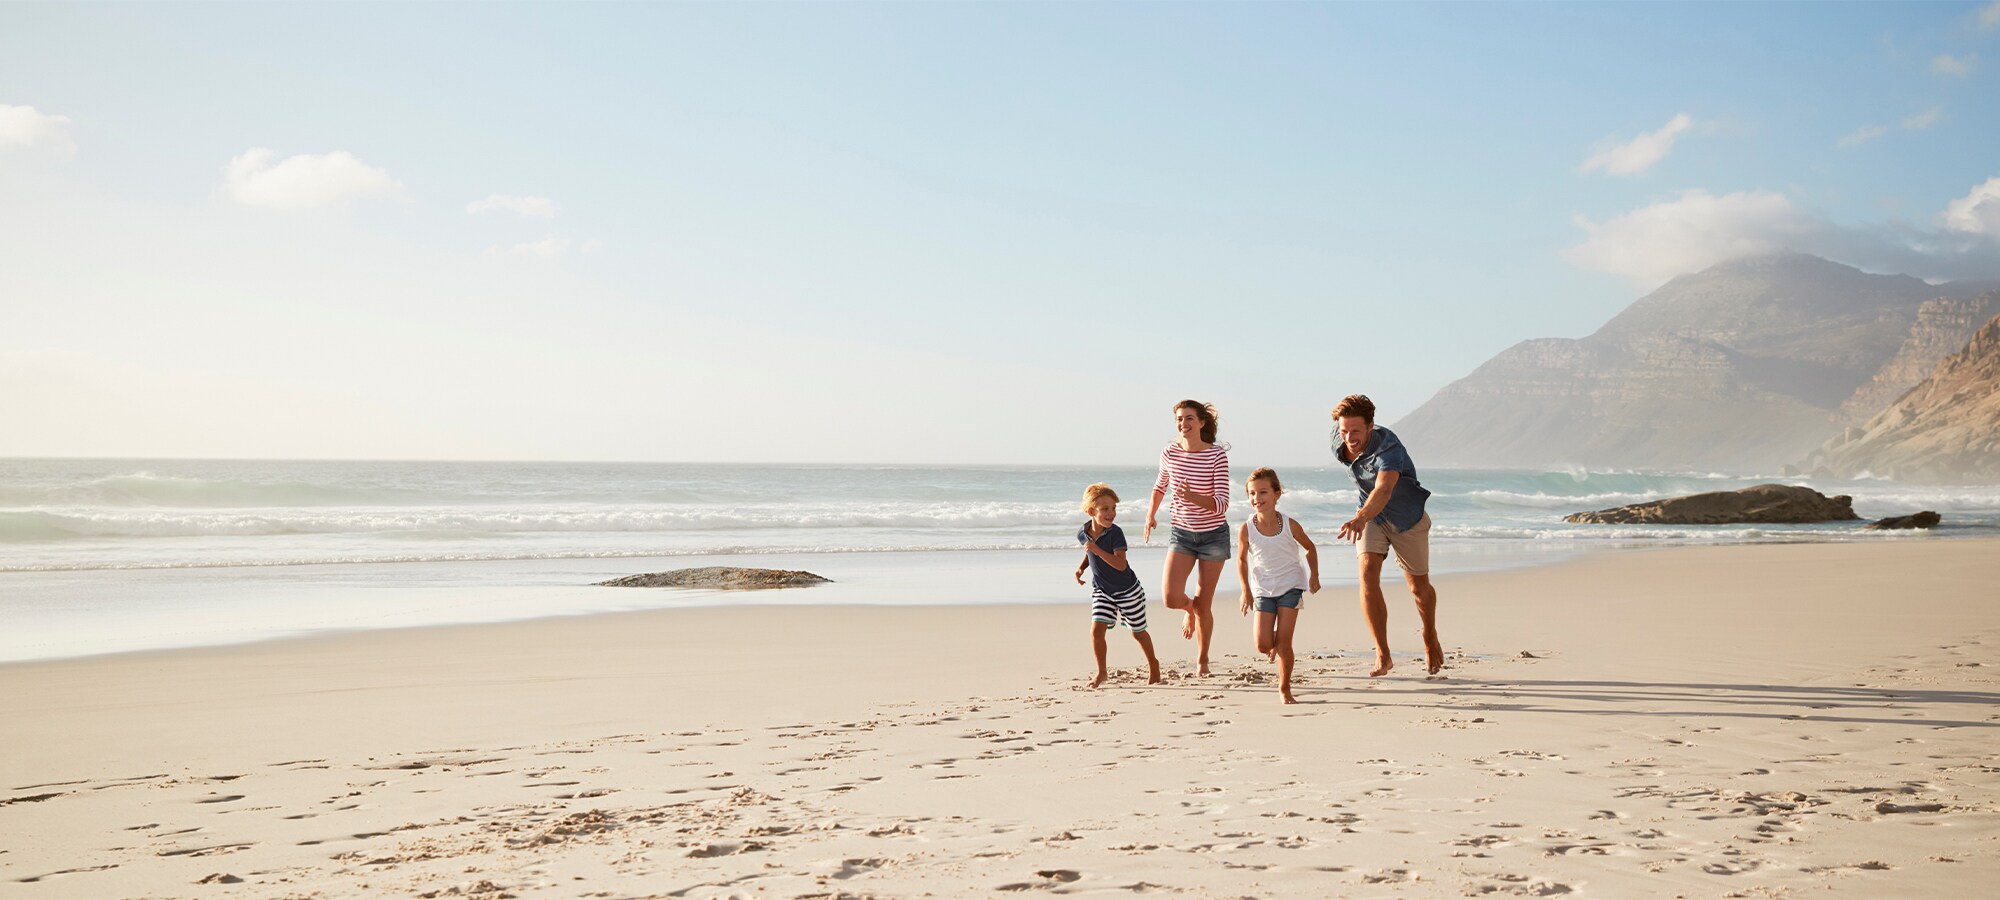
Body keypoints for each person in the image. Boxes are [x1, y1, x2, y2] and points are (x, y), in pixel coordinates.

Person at [1330, 394, 1443, 677]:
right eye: (1344, 430)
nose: (1349, 437)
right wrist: (1363, 517)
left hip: (1407, 518)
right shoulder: (1338, 439)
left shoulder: (1389, 448)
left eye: (1356, 431)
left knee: (1419, 589)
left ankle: (1429, 635)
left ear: (1371, 426)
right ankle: (1382, 653)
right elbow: (1370, 494)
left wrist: (1358, 518)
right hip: (1371, 517)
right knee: (1367, 576)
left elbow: (1383, 489)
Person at [1143, 400, 1230, 677]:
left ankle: (1202, 660)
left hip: (1213, 536)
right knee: (1170, 597)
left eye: (1189, 418)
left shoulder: (1216, 456)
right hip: (1182, 533)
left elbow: (1222, 504)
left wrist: (1192, 497)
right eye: (1179, 419)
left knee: (1205, 604)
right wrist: (1150, 515)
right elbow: (1160, 485)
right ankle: (1188, 610)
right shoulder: (1169, 452)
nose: (1183, 423)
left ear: (1202, 422)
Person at [1235, 467, 1319, 704]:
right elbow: (1241, 559)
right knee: (1263, 644)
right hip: (1263, 589)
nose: (1256, 499)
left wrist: (1314, 576)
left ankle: (1284, 689)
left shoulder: (1290, 525)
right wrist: (1245, 591)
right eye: (1252, 494)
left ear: (1276, 494)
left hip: (1291, 585)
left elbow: (1310, 547)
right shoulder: (1246, 528)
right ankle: (1275, 642)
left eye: (1262, 492)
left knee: (1284, 644)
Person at [1075, 483, 1162, 688]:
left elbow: (1120, 564)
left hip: (1127, 591)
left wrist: (1097, 550)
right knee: (1096, 630)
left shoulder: (1116, 533)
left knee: (1137, 632)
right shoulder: (1083, 533)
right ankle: (1102, 672)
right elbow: (1089, 552)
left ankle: (1154, 664)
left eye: (1114, 508)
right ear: (1091, 511)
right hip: (1102, 590)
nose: (1111, 513)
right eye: (1105, 509)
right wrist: (1081, 568)